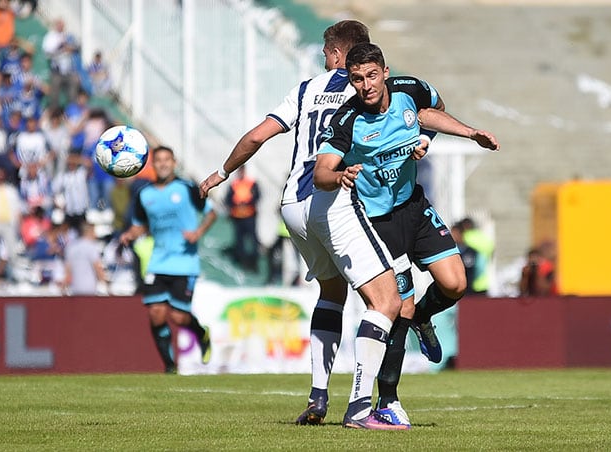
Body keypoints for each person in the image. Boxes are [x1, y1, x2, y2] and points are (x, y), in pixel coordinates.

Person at [199, 20, 409, 430]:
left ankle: (317, 395)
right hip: (334, 198)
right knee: (386, 301)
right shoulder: (366, 86)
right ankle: (361, 409)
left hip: (294, 204)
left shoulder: (305, 89)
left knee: (331, 290)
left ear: (333, 52)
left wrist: (222, 173)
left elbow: (258, 137)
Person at [314, 42, 499, 425]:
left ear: (384, 71)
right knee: (401, 306)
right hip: (378, 224)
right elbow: (322, 171)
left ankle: (422, 321)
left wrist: (464, 134)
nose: (365, 86)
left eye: (370, 76)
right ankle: (388, 401)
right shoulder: (348, 121)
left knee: (455, 284)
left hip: (414, 207)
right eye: (356, 79)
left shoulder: (410, 89)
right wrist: (340, 176)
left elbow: (432, 110)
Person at [120, 145, 217, 374]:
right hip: (158, 262)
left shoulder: (187, 188)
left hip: (184, 262)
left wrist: (198, 233)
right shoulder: (145, 194)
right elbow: (139, 225)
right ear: (152, 164)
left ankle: (202, 334)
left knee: (179, 317)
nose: (163, 164)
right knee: (156, 314)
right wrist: (130, 234)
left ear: (174, 163)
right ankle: (169, 366)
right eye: (159, 160)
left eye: (167, 160)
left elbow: (211, 213)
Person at [224, 165, 261, 271]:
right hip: (237, 216)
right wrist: (234, 206)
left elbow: (257, 196)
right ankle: (242, 263)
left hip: (249, 216)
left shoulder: (251, 183)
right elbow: (228, 199)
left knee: (253, 241)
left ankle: (254, 264)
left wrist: (246, 203)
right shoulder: (234, 185)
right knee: (239, 242)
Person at [63, 221, 106, 295]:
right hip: (90, 289)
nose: (95, 235)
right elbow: (97, 267)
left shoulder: (71, 247)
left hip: (75, 289)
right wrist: (105, 284)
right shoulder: (92, 247)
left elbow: (68, 270)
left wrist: (64, 286)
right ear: (90, 232)